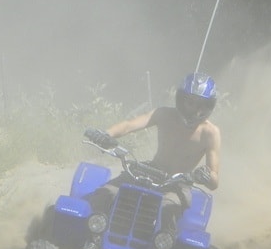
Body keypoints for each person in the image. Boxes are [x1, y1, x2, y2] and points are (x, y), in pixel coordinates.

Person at [84, 72, 221, 235]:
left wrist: (204, 175)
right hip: (148, 171)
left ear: (208, 107)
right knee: (107, 192)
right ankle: (86, 236)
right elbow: (129, 125)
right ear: (181, 99)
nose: (194, 108)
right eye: (190, 101)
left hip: (179, 183)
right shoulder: (163, 114)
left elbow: (214, 181)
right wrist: (106, 134)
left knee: (168, 207)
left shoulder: (211, 133)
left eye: (200, 104)